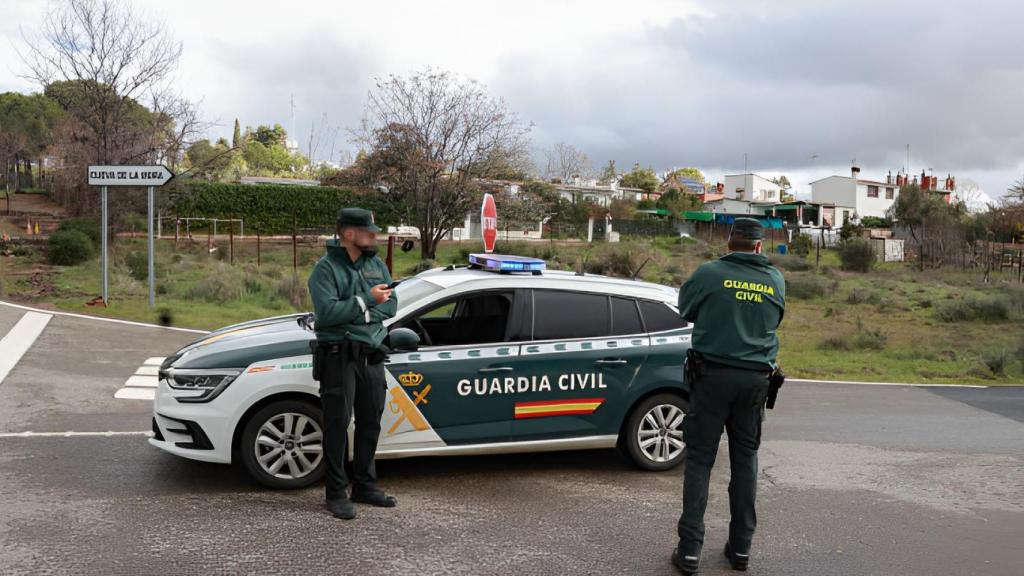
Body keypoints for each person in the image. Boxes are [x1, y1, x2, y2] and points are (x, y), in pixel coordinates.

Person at [671, 217, 786, 574]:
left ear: (730, 241)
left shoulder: (709, 273)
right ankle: (741, 549)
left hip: (711, 377)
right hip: (755, 381)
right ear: (758, 245)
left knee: (701, 461)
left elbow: (685, 310)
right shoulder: (775, 279)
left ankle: (689, 551)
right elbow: (775, 320)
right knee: (745, 460)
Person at [307, 207, 398, 520]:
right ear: (348, 233)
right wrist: (367, 301)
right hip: (339, 356)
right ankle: (335, 493)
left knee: (371, 422)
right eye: (369, 232)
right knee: (337, 424)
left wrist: (359, 312)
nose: (375, 237)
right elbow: (328, 315)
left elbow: (393, 306)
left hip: (371, 355)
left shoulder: (376, 265)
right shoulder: (326, 269)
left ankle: (365, 485)